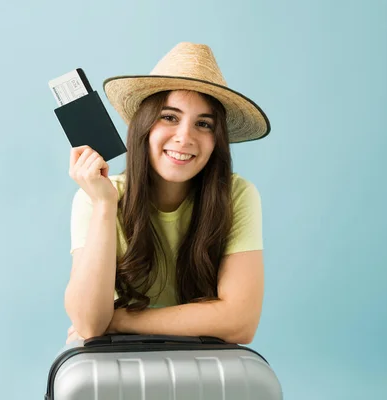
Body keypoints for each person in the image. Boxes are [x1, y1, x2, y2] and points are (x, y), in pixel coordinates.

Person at [64, 42, 270, 345]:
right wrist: (105, 205)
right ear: (143, 126)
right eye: (169, 117)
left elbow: (241, 322)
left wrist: (121, 320)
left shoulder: (237, 195)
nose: (184, 137)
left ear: (217, 142)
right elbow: (89, 323)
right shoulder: (95, 199)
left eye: (203, 124)